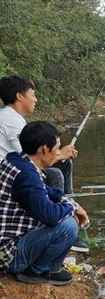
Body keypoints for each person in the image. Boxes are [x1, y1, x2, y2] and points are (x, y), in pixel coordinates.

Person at [0, 75, 88, 252]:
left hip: (13, 169)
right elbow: (32, 155)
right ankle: (63, 223)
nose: (36, 99)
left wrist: (60, 155)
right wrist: (60, 153)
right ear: (19, 96)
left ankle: (66, 209)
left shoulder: (11, 116)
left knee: (64, 165)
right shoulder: (11, 120)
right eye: (32, 94)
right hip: (10, 175)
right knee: (55, 173)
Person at [0, 121, 89, 285]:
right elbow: (51, 216)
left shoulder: (16, 160)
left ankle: (37, 266)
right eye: (56, 148)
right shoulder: (27, 177)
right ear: (43, 150)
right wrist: (72, 209)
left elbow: (46, 190)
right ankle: (39, 270)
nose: (58, 153)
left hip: (8, 242)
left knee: (65, 211)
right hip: (8, 255)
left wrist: (72, 204)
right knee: (69, 225)